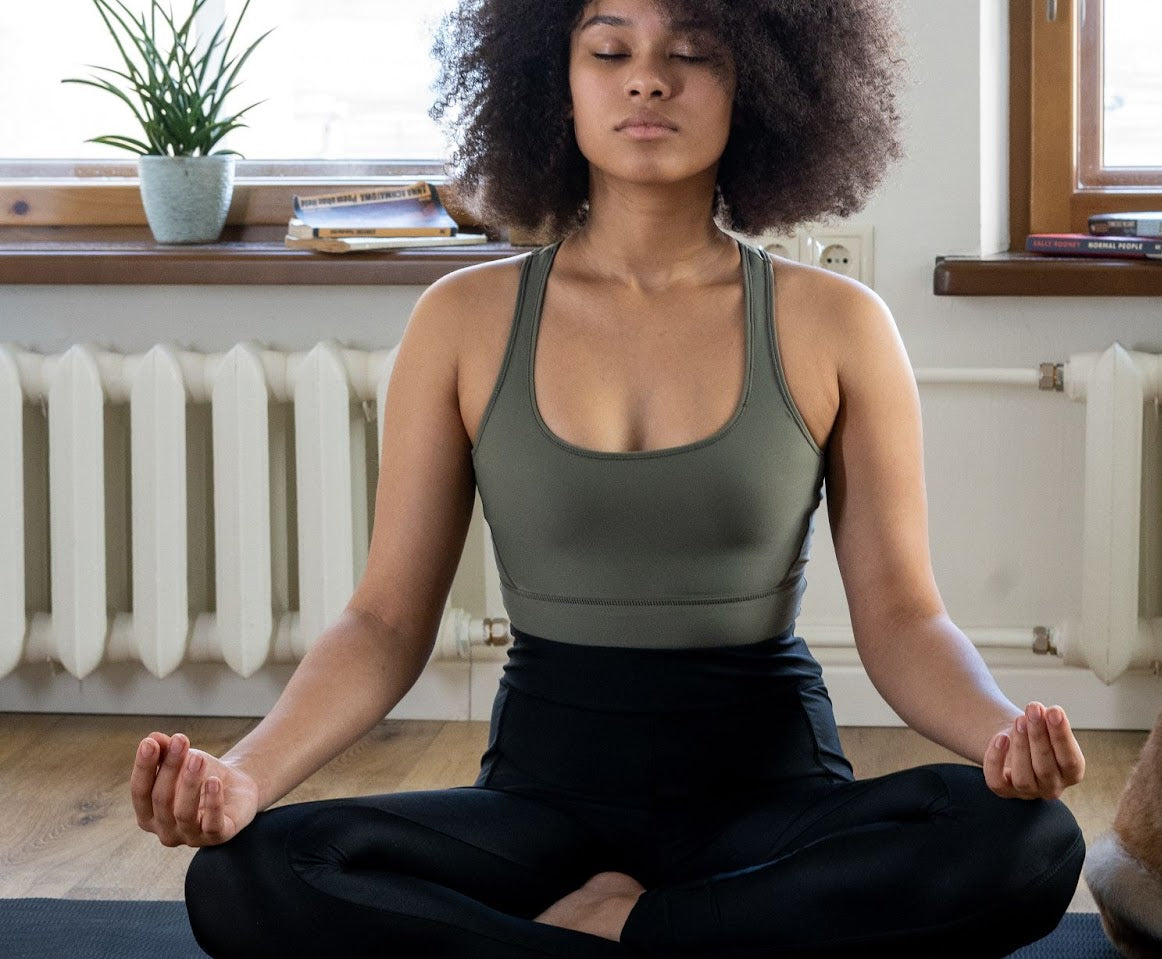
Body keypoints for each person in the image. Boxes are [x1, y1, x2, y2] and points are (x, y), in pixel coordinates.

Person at [135, 1, 1088, 956]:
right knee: (246, 875)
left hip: (771, 802)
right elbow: (384, 622)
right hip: (542, 809)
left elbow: (904, 620)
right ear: (556, 80)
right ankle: (703, 940)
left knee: (1029, 842)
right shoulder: (461, 318)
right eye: (609, 49)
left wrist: (1004, 735)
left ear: (760, 81)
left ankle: (615, 928)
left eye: (692, 53)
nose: (647, 79)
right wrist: (245, 776)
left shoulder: (837, 322)